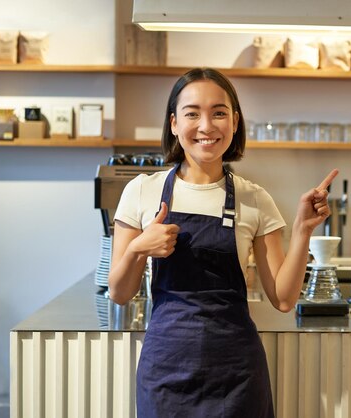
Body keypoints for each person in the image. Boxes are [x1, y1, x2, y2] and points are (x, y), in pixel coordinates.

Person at [108, 67, 338, 418]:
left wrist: (303, 228)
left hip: (237, 374)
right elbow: (119, 292)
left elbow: (283, 298)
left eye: (218, 113)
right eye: (192, 113)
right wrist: (140, 247)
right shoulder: (142, 190)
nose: (206, 125)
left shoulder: (255, 198)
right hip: (165, 371)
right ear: (173, 123)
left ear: (234, 121)